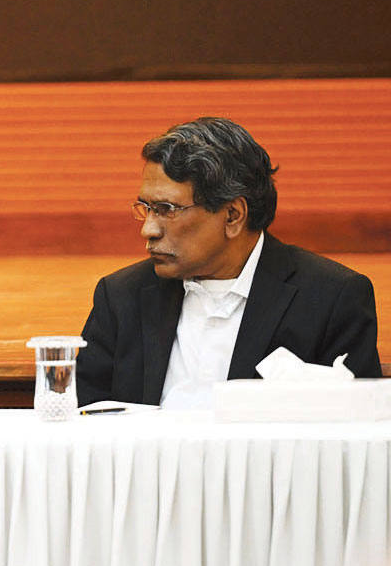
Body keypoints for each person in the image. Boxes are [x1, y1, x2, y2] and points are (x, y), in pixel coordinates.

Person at [77, 117, 380, 408]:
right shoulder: (120, 297)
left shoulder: (332, 299)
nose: (148, 229)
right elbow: (85, 423)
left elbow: (357, 438)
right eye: (146, 208)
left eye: (166, 209)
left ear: (233, 215)